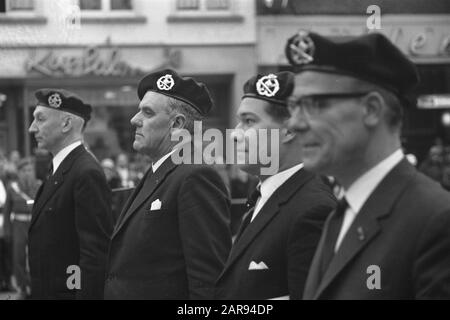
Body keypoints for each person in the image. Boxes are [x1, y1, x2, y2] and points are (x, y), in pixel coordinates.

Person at [286, 31, 450, 299]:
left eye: (314, 104)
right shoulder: (340, 215)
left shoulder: (436, 221)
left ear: (372, 109)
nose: (294, 123)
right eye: (294, 106)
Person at [104, 69, 232, 300]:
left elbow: (208, 282)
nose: (135, 119)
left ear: (177, 124)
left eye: (148, 112)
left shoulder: (195, 177)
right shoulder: (160, 171)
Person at [215, 72, 336, 300]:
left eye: (249, 121)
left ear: (290, 130)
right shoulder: (268, 196)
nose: (235, 135)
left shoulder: (313, 209)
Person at [28, 89, 113, 300]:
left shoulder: (85, 172)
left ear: (66, 124)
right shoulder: (60, 168)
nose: (32, 128)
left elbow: (94, 255)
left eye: (40, 119)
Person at [4, 158, 41, 299]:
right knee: (18, 257)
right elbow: (7, 212)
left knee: (35, 256)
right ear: (18, 173)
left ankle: (35, 286)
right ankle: (22, 287)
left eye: (30, 170)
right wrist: (6, 231)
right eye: (24, 171)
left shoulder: (39, 186)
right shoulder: (12, 189)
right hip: (18, 225)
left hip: (35, 225)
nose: (27, 173)